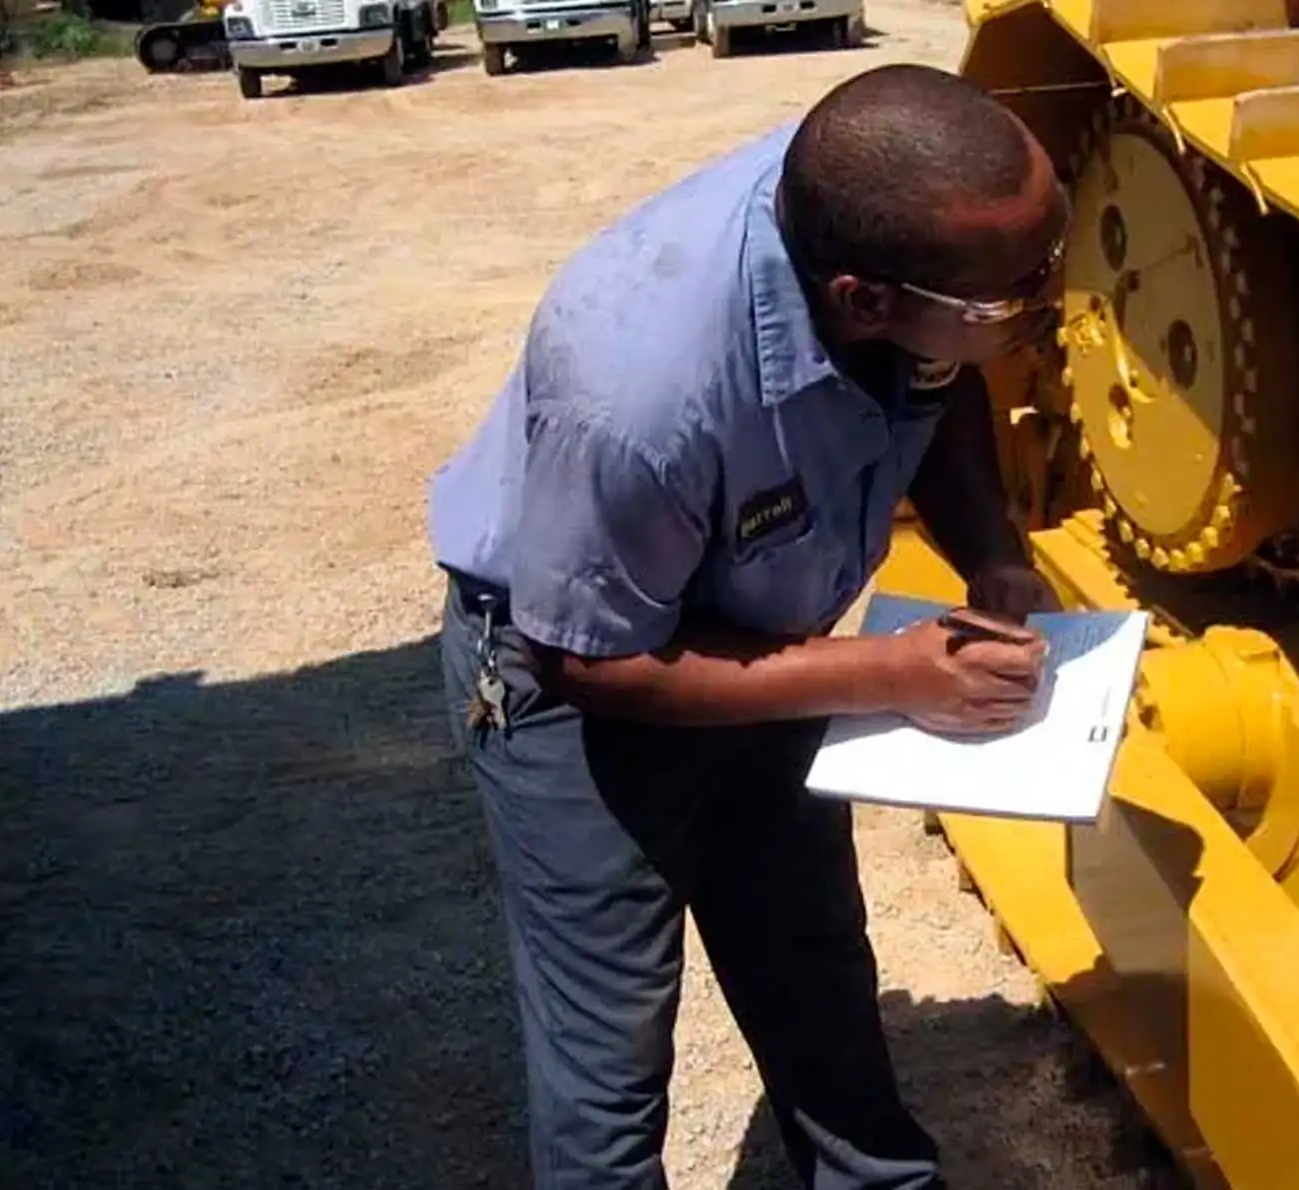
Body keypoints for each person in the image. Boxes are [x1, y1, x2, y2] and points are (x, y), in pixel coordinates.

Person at [426, 61, 1069, 1190]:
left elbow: (941, 368)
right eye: (1014, 294)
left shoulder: (883, 210)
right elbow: (596, 660)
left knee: (811, 957)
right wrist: (882, 673)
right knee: (610, 1053)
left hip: (770, 633)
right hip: (580, 677)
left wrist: (994, 554)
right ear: (861, 296)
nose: (1047, 305)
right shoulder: (639, 393)